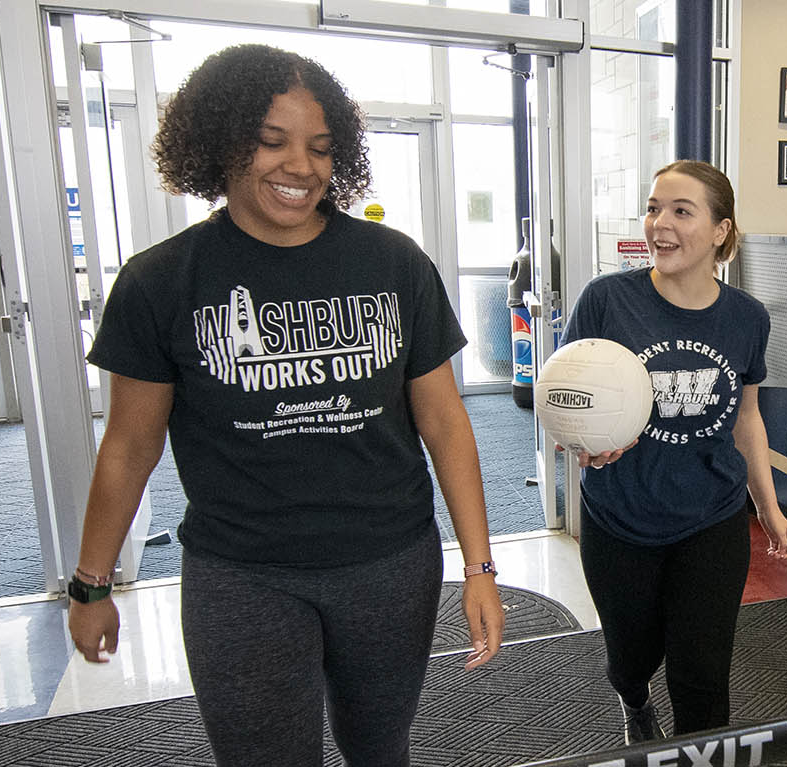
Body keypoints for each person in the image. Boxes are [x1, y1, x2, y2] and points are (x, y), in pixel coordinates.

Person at [65, 44, 504, 767]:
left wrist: (480, 569)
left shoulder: (393, 264)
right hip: (243, 573)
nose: (300, 166)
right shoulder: (161, 282)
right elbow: (130, 445)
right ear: (220, 142)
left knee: (379, 749)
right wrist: (91, 582)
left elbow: (444, 422)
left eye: (321, 148)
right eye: (271, 142)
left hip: (390, 563)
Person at [559, 160, 787, 744]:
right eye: (653, 208)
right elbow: (564, 400)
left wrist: (768, 506)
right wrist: (582, 447)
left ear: (720, 231)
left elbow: (747, 418)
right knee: (631, 657)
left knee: (702, 676)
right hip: (620, 516)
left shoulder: (747, 318)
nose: (659, 224)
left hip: (711, 518)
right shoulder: (607, 301)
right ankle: (634, 701)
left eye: (681, 211)